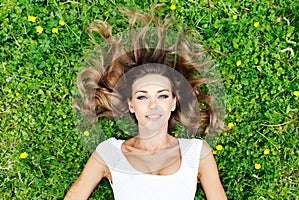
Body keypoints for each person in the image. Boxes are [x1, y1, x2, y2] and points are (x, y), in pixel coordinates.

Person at [65, 6, 227, 200]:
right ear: (131, 104)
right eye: (142, 96)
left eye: (163, 96)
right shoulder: (110, 152)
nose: (153, 105)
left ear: (174, 103)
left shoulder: (196, 152)